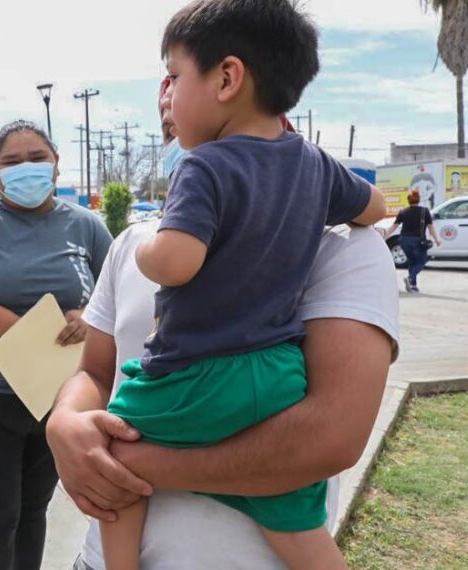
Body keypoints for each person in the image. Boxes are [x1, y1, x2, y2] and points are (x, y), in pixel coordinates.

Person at [47, 75, 399, 569]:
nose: (181, 145)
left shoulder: (344, 247)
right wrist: (65, 423)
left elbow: (330, 440)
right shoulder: (131, 243)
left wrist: (132, 462)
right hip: (96, 558)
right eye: (169, 130)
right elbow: (95, 373)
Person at [0, 119, 113, 570]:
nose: (26, 168)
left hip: (55, 397)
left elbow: (116, 291)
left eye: (37, 158)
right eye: (12, 162)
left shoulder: (86, 225)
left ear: (55, 165)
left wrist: (88, 316)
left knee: (32, 511)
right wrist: (24, 330)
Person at [384, 189, 441, 292]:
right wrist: (436, 239)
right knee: (421, 262)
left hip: (404, 240)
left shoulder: (403, 212)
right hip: (418, 241)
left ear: (408, 200)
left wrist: (384, 236)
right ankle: (410, 278)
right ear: (418, 199)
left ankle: (413, 286)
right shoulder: (424, 211)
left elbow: (394, 226)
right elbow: (430, 227)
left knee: (412, 262)